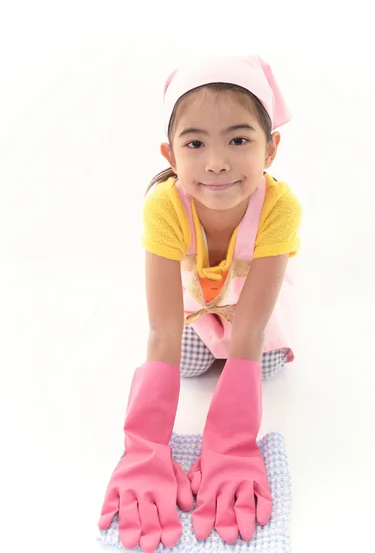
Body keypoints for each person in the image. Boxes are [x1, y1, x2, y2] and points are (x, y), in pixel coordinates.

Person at [98, 55, 302, 553]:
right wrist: (145, 448)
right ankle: (210, 344)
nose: (216, 161)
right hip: (192, 311)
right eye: (195, 143)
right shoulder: (165, 206)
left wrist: (232, 444)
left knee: (264, 365)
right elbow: (162, 333)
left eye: (238, 139)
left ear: (271, 148)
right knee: (187, 365)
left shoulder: (280, 207)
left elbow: (250, 331)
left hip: (247, 309)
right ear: (170, 153)